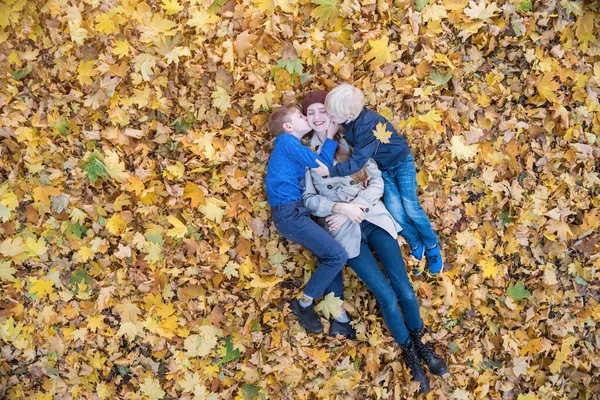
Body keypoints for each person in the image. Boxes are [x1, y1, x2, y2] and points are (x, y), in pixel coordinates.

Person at [302, 91, 448, 394]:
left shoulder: (353, 140)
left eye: (323, 112)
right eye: (311, 113)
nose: (318, 117)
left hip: (373, 219)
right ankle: (410, 354)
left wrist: (359, 206)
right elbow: (309, 199)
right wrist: (339, 209)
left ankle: (421, 344)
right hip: (345, 232)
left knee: (405, 290)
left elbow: (378, 180)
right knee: (386, 296)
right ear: (306, 120)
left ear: (334, 115)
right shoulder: (306, 155)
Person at [312, 84, 443, 275]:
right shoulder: (348, 123)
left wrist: (330, 172)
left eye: (332, 115)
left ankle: (431, 245)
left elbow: (356, 161)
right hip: (383, 169)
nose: (330, 119)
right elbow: (358, 155)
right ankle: (415, 242)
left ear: (348, 114)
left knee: (410, 207)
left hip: (400, 163)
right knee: (395, 210)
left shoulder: (367, 126)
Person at [265, 104, 355, 337]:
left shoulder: (292, 146)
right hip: (289, 213)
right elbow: (322, 167)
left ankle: (335, 314)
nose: (306, 118)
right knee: (337, 255)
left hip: (295, 212)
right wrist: (331, 136)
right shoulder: (287, 142)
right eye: (300, 116)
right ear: (288, 127)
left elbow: (318, 166)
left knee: (330, 255)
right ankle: (303, 304)